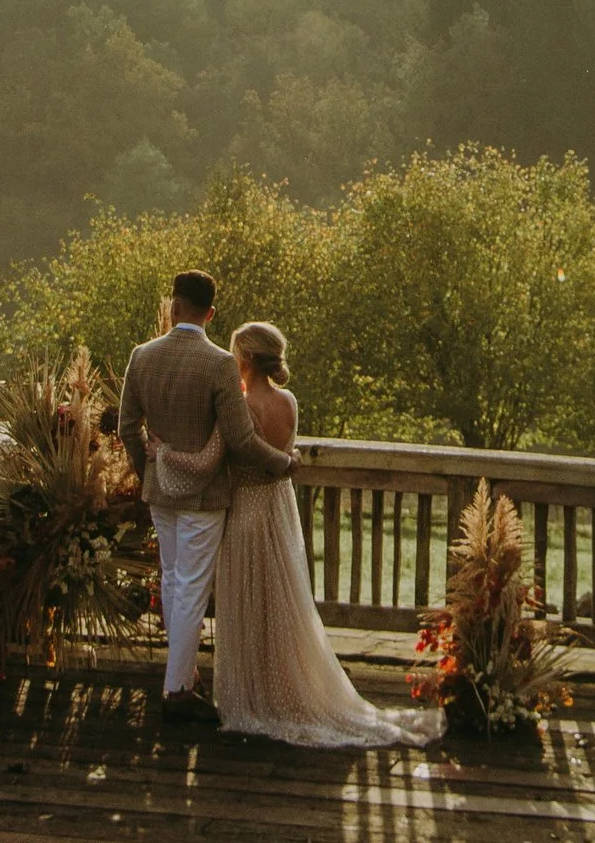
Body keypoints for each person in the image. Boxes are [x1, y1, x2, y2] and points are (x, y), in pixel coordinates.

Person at [149, 319, 442, 747]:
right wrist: (290, 459)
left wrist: (164, 452)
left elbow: (207, 463)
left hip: (246, 512)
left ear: (246, 359)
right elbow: (287, 451)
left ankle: (254, 697)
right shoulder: (289, 401)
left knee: (249, 605)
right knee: (282, 606)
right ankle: (284, 688)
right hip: (281, 510)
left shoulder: (238, 407)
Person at [115, 270, 295, 721]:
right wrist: (283, 463)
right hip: (205, 498)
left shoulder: (142, 356)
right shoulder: (219, 364)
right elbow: (240, 440)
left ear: (174, 306)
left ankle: (182, 675)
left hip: (161, 493)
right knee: (191, 586)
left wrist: (150, 472)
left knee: (173, 580)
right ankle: (177, 690)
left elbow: (127, 428)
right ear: (210, 314)